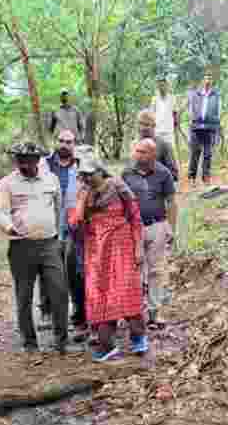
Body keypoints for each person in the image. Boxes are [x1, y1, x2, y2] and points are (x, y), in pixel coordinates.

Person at [0, 142, 70, 354]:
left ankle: (61, 340)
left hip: (49, 243)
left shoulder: (51, 179)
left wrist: (57, 235)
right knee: (24, 294)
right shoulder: (7, 183)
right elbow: (1, 212)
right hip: (21, 246)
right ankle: (29, 342)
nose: (23, 163)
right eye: (19, 159)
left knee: (58, 290)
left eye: (27, 159)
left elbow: (58, 207)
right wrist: (10, 227)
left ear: (37, 160)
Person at [72, 155, 146, 361]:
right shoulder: (84, 194)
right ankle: (107, 345)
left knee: (126, 290)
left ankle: (138, 337)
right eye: (83, 175)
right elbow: (76, 222)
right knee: (100, 294)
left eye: (89, 174)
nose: (86, 178)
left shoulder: (118, 186)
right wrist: (81, 203)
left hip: (121, 245)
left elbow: (135, 217)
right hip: (96, 249)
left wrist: (138, 247)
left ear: (100, 171)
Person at [122, 138, 177, 328]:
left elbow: (171, 202)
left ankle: (154, 313)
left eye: (142, 152)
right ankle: (135, 312)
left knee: (155, 270)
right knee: (135, 271)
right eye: (136, 151)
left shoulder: (164, 173)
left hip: (157, 226)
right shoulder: (126, 173)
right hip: (133, 228)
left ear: (153, 155)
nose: (137, 155)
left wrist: (171, 227)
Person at [46, 130, 86, 329]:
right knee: (47, 270)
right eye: (61, 141)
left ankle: (78, 310)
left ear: (74, 144)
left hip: (72, 226)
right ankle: (49, 311)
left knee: (73, 269)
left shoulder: (82, 164)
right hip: (48, 224)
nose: (64, 145)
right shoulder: (44, 164)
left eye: (68, 142)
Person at [186, 72, 221, 185]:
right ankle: (192, 177)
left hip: (210, 128)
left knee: (207, 154)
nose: (208, 80)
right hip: (196, 127)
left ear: (212, 81)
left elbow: (218, 111)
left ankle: (206, 178)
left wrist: (216, 125)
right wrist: (192, 120)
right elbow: (191, 109)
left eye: (210, 78)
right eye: (206, 78)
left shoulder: (216, 95)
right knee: (195, 152)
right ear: (202, 80)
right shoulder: (195, 94)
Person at [137, 110, 179, 181]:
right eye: (141, 124)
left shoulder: (164, 145)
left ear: (154, 126)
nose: (142, 128)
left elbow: (174, 174)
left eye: (146, 125)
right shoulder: (135, 145)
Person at [149, 76, 179, 149]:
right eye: (159, 85)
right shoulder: (154, 99)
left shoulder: (172, 98)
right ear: (157, 87)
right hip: (157, 131)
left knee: (169, 154)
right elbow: (151, 115)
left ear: (166, 86)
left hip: (169, 131)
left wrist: (175, 128)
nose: (161, 87)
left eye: (163, 85)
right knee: (158, 154)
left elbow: (175, 114)